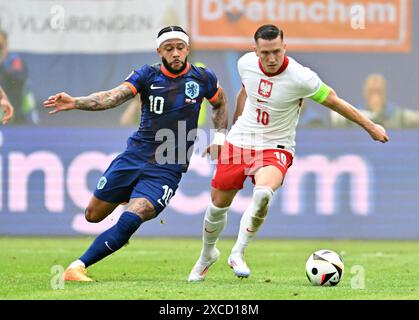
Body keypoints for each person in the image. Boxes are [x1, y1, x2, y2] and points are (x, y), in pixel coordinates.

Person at [188, 24, 388, 282]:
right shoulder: (245, 64)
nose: (271, 59)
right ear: (255, 51)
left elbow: (335, 102)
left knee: (263, 194)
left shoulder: (302, 78)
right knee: (217, 205)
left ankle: (238, 251)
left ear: (285, 47)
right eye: (265, 53)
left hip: (276, 146)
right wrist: (230, 132)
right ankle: (207, 255)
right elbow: (245, 91)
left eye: (276, 52)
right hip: (241, 141)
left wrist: (370, 127)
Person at [43, 26, 228, 282]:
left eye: (180, 47)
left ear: (187, 48)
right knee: (92, 215)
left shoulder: (203, 78)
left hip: (167, 166)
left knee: (134, 215)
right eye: (169, 48)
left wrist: (219, 137)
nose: (175, 53)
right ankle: (129, 193)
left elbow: (219, 102)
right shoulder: (147, 75)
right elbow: (112, 97)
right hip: (134, 156)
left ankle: (77, 267)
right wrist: (76, 102)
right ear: (159, 51)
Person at [331, 73, 419, 128]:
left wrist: (378, 113)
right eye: (371, 91)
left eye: (378, 91)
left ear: (384, 93)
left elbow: (414, 118)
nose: (375, 96)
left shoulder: (398, 115)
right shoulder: (354, 113)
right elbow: (336, 121)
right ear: (365, 92)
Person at [0, 29, 38, 125]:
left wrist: (2, 63)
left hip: (14, 99)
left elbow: (18, 77)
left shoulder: (14, 59)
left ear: (6, 43)